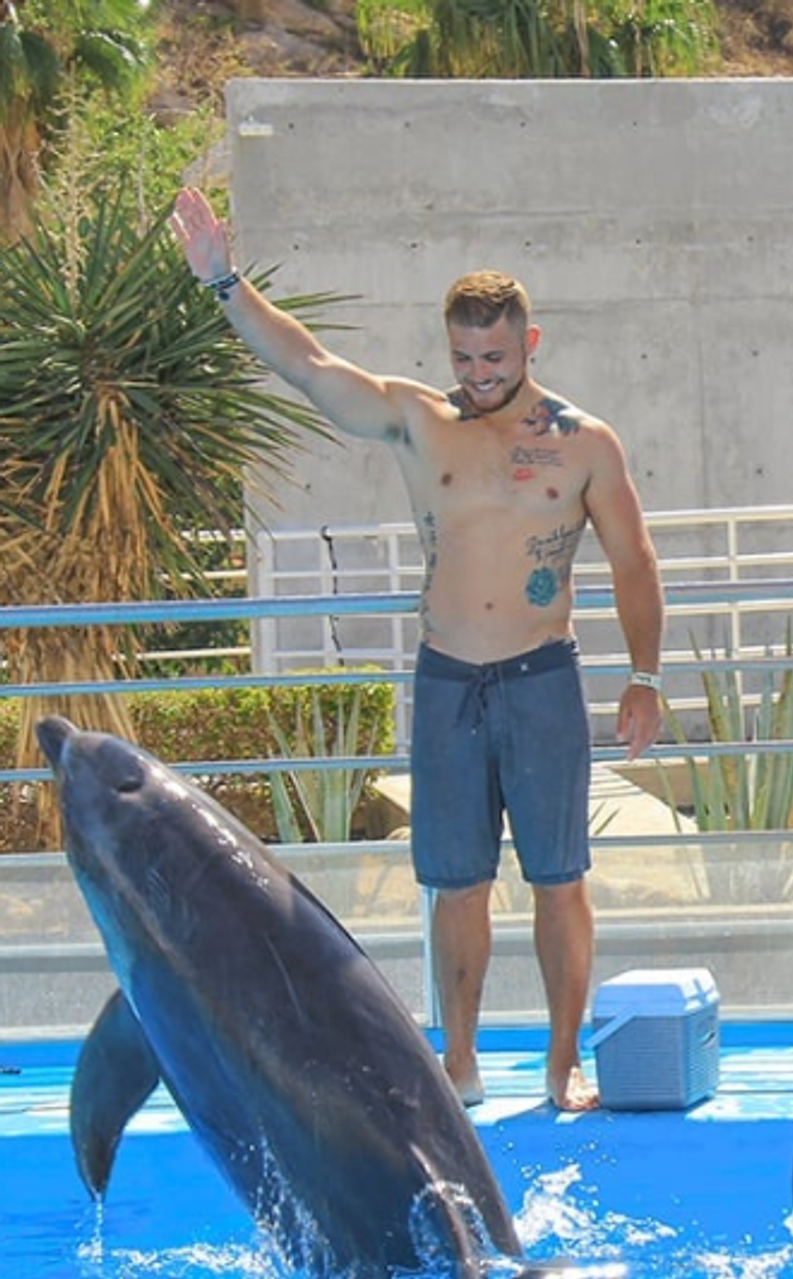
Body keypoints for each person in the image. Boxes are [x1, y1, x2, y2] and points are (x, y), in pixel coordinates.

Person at [169, 187, 666, 1112]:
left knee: (560, 878)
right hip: (447, 682)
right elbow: (310, 365)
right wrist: (223, 282)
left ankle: (564, 1068)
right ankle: (462, 1064)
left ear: (531, 344)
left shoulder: (584, 442)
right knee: (456, 883)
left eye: (496, 356)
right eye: (465, 357)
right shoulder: (417, 419)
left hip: (541, 679)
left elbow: (634, 560)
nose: (479, 374)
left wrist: (643, 674)